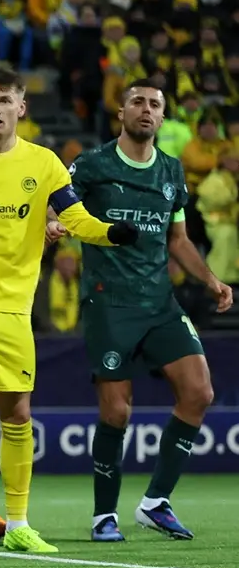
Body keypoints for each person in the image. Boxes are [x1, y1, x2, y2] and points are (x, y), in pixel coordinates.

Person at [0, 64, 137, 553]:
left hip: (11, 310)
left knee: (16, 414)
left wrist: (108, 232)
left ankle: (17, 523)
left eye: (5, 101)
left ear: (22, 108)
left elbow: (74, 214)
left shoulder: (45, 164)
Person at [76, 84, 232, 542]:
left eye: (155, 105)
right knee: (117, 414)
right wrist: (53, 223)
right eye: (139, 102)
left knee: (199, 392)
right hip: (109, 303)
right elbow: (60, 206)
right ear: (121, 110)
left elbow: (177, 240)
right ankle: (104, 515)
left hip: (159, 303)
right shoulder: (93, 165)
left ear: (164, 119)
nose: (146, 110)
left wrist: (211, 281)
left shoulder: (171, 170)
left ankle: (155, 501)